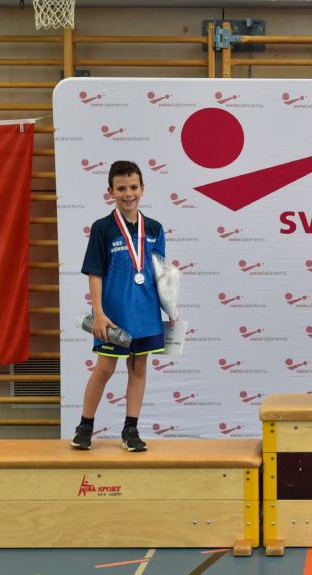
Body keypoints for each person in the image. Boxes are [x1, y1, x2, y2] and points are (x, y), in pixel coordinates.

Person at [71, 160, 173, 452]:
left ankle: (131, 429)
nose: (128, 193)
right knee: (104, 369)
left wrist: (171, 310)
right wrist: (99, 313)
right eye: (121, 188)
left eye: (133, 187)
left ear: (142, 188)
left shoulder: (155, 228)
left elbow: (161, 274)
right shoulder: (102, 228)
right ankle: (84, 427)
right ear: (111, 191)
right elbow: (95, 273)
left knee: (138, 368)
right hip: (113, 315)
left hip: (147, 313)